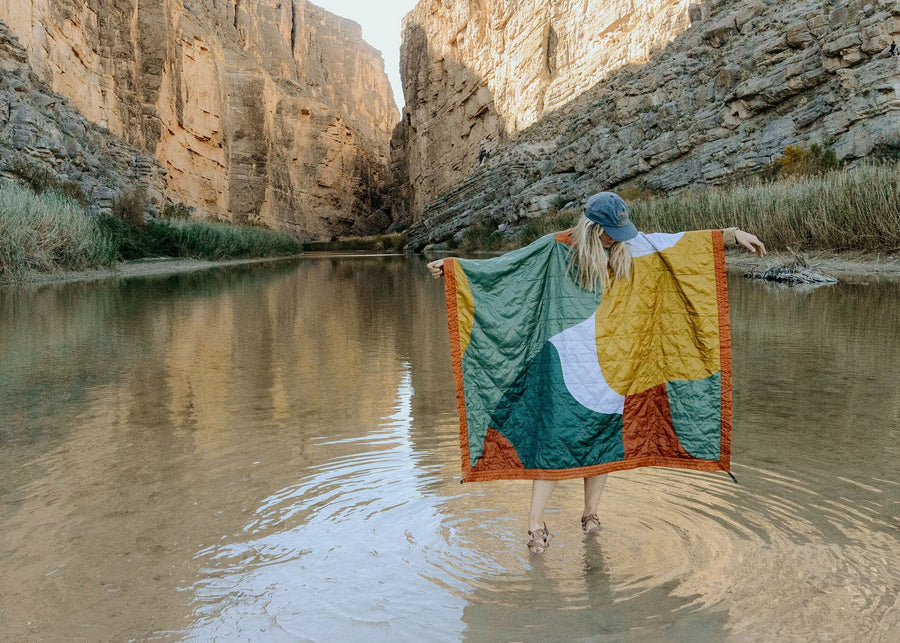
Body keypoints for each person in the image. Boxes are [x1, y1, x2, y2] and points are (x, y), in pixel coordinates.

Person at [427, 192, 766, 553]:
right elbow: (507, 268)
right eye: (609, 232)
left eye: (620, 232)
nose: (616, 239)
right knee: (552, 443)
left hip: (613, 364)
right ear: (591, 228)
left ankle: (590, 515)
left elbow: (679, 246)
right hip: (562, 367)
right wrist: (455, 268)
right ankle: (534, 524)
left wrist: (732, 235)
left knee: (603, 439)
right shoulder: (555, 249)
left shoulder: (628, 246)